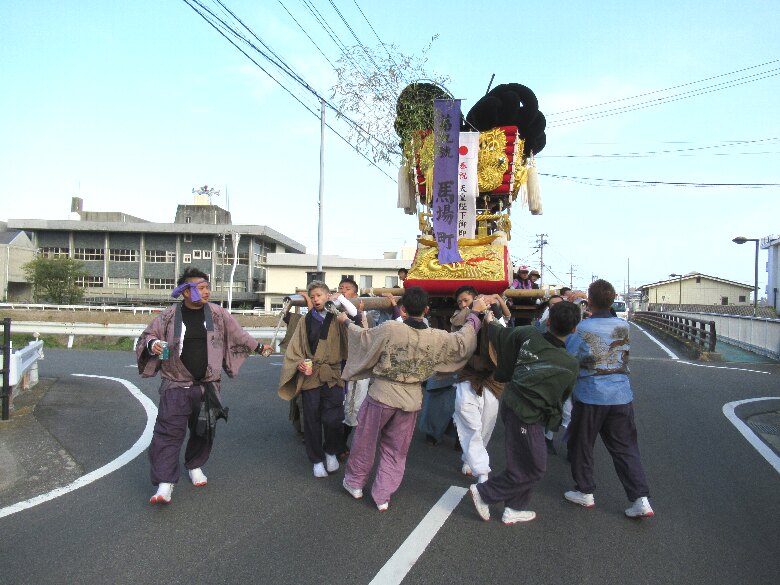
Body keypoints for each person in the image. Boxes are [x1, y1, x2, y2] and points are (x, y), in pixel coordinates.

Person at [338, 286, 489, 511]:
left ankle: (355, 483)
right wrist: (475, 314)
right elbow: (462, 340)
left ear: (404, 309)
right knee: (396, 450)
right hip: (411, 400)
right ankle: (382, 495)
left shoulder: (390, 328)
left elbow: (364, 338)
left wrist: (346, 322)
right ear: (426, 309)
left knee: (365, 441)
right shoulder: (436, 336)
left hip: (382, 395)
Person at [137, 267, 271, 504]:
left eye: (207, 287)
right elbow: (147, 336)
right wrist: (153, 344)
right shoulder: (168, 316)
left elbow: (238, 334)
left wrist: (259, 347)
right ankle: (165, 483)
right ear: (186, 292)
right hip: (176, 384)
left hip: (208, 385)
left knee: (204, 429)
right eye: (201, 287)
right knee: (167, 433)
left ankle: (194, 464)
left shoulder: (218, 313)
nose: (207, 291)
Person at [469, 301, 580, 525]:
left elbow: (501, 334)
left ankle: (514, 508)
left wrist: (490, 320)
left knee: (523, 463)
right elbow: (561, 396)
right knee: (535, 467)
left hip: (513, 402)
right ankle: (485, 493)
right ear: (574, 329)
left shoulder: (527, 334)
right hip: (527, 416)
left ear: (548, 321)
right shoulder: (569, 364)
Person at [563, 279, 654, 518]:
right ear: (613, 300)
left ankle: (585, 491)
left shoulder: (582, 328)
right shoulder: (624, 326)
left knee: (582, 444)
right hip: (621, 394)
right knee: (625, 448)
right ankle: (640, 499)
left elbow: (569, 355)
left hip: (590, 395)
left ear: (589, 301)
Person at [278, 280, 358, 478]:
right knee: (311, 419)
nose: (315, 299)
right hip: (311, 373)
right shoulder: (305, 321)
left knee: (334, 418)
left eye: (319, 295)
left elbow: (355, 316)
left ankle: (331, 451)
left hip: (333, 373)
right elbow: (295, 348)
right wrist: (299, 363)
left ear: (327, 296)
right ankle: (316, 460)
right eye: (312, 297)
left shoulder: (338, 316)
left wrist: (340, 300)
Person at [451, 287, 510, 484]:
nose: (463, 304)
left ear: (475, 298)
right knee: (467, 416)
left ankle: (471, 458)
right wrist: (473, 311)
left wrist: (494, 305)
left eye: (466, 300)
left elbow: (504, 331)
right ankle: (482, 470)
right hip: (468, 374)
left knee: (487, 420)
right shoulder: (460, 318)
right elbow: (458, 334)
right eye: (460, 302)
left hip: (492, 378)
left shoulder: (493, 315)